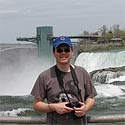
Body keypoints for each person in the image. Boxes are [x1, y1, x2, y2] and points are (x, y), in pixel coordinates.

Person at [31, 36, 97, 125]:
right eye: (59, 50)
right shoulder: (45, 76)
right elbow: (36, 105)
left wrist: (85, 107)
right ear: (54, 52)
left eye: (66, 50)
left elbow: (91, 97)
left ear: (72, 52)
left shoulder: (82, 72)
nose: (63, 53)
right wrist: (54, 107)